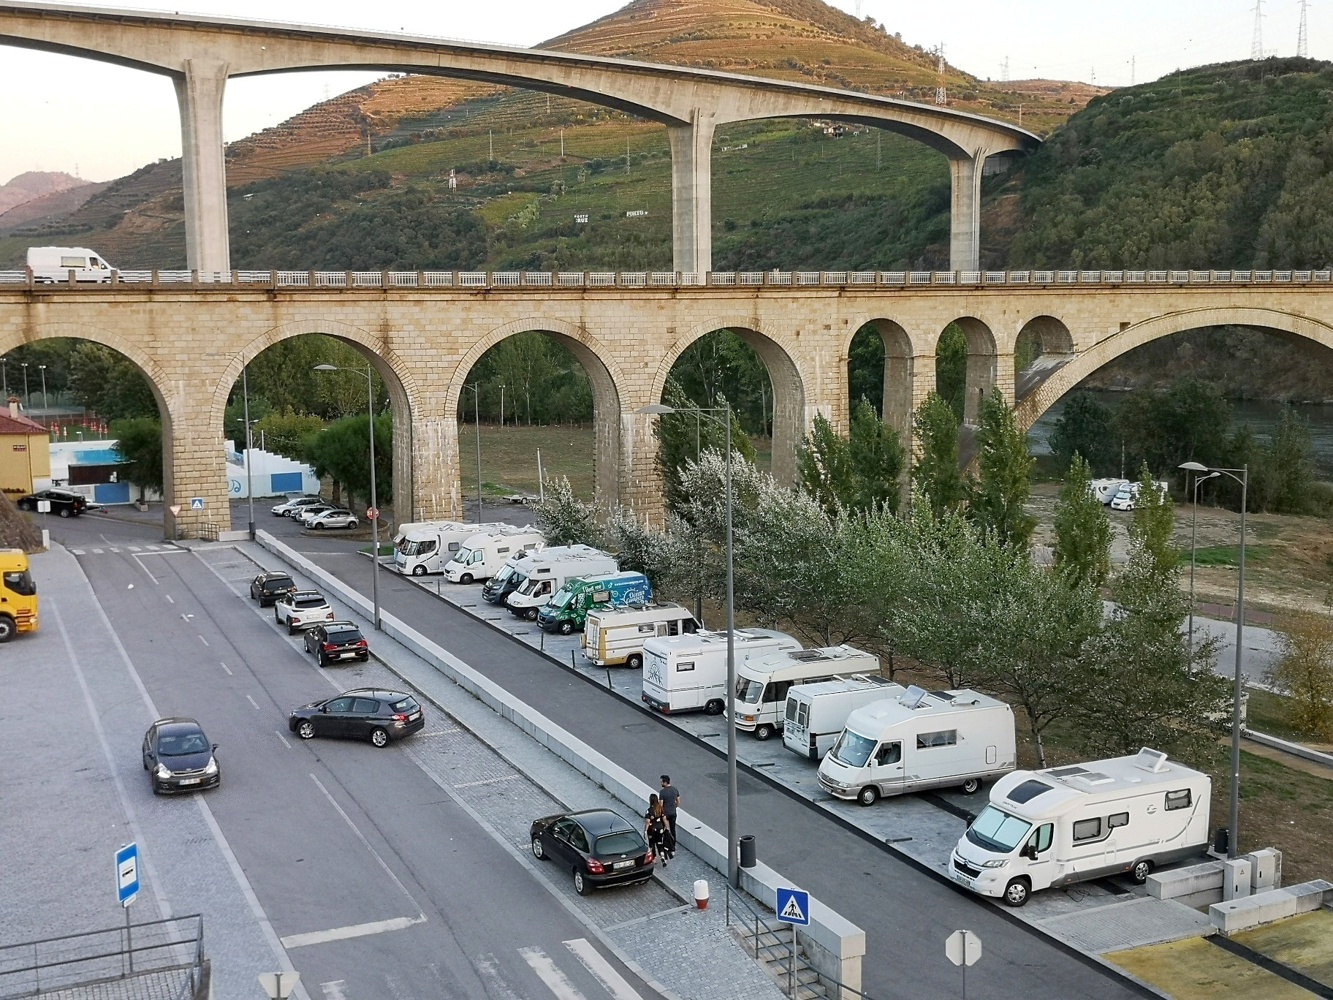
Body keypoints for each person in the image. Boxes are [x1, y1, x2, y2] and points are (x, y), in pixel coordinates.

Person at [644, 793, 671, 867]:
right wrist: (667, 827)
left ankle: (654, 858)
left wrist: (645, 831)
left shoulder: (649, 810)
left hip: (652, 829)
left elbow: (647, 822)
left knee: (652, 844)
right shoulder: (660, 808)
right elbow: (664, 819)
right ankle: (662, 857)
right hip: (660, 828)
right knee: (659, 843)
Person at [659, 774, 680, 853]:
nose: (661, 783)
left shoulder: (662, 792)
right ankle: (673, 845)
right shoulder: (675, 789)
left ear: (665, 782)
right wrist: (674, 807)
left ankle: (667, 844)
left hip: (665, 814)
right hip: (673, 813)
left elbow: (661, 805)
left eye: (661, 782)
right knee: (673, 829)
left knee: (666, 830)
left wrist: (662, 813)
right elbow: (678, 801)